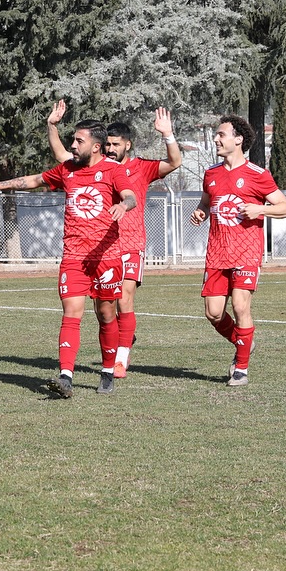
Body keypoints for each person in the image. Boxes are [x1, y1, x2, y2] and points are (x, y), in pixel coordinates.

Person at [0, 120, 137, 397]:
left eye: (79, 141)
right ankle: (66, 377)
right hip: (74, 257)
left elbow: (130, 196)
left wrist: (123, 205)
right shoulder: (67, 170)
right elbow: (33, 180)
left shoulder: (113, 170)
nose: (73, 146)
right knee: (71, 314)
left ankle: (108, 370)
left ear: (96, 146)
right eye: (73, 140)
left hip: (107, 257)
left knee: (106, 314)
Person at [47, 101, 182, 378]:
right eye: (107, 143)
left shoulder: (141, 168)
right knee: (103, 309)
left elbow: (174, 162)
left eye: (116, 144)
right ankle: (115, 347)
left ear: (127, 146)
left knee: (124, 300)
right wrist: (52, 126)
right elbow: (62, 156)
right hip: (99, 245)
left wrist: (167, 135)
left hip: (130, 243)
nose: (111, 148)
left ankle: (120, 358)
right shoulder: (90, 168)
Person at [189, 114, 286, 387]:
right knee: (213, 313)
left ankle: (241, 368)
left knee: (240, 305)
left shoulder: (257, 175)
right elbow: (206, 202)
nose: (216, 139)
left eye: (221, 134)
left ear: (238, 140)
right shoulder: (211, 173)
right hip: (217, 252)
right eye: (217, 134)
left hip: (246, 251)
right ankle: (244, 341)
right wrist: (200, 212)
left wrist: (260, 209)